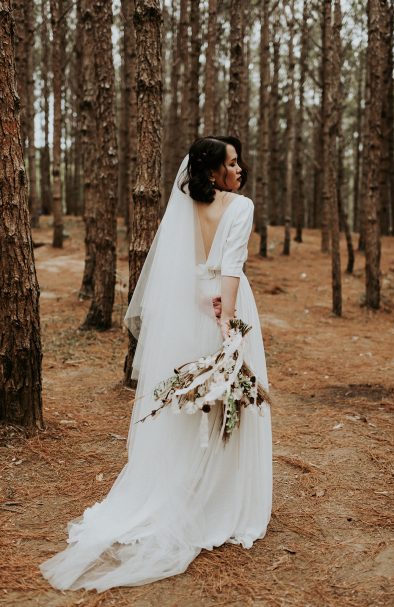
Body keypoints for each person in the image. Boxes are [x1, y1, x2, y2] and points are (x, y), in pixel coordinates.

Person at [39, 135, 272, 592]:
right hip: (226, 306)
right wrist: (230, 327)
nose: (239, 168)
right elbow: (231, 266)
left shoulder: (185, 205)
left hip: (190, 308)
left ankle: (186, 492)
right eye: (231, 162)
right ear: (211, 172)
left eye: (238, 161)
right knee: (226, 400)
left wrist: (204, 306)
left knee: (191, 402)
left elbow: (183, 265)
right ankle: (220, 503)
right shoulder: (238, 207)